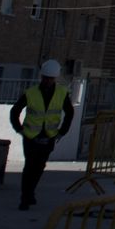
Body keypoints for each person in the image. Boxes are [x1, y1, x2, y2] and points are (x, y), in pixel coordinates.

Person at [9, 59, 75, 210]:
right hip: (31, 137)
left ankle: (30, 192)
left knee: (39, 167)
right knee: (29, 166)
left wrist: (62, 132)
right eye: (45, 78)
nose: (47, 81)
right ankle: (25, 197)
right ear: (42, 77)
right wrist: (19, 129)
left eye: (50, 79)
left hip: (49, 136)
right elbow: (15, 111)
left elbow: (70, 113)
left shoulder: (62, 93)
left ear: (55, 78)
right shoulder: (31, 93)